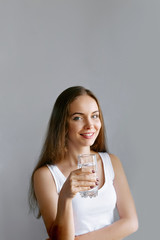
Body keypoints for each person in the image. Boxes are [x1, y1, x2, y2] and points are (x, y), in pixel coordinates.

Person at [29, 86, 138, 240]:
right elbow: (60, 238)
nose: (90, 125)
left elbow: (131, 222)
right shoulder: (46, 175)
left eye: (94, 116)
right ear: (63, 124)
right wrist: (65, 196)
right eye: (77, 118)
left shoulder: (111, 162)